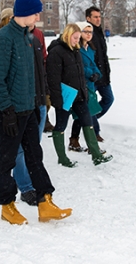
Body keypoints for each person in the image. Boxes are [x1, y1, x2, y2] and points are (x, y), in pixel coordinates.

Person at [0, 0, 72, 225]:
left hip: (28, 108)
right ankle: (7, 205)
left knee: (35, 156)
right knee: (7, 159)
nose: (38, 17)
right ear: (25, 13)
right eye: (36, 13)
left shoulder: (29, 38)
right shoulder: (4, 39)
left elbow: (32, 76)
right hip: (9, 112)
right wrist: (7, 111)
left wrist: (37, 104)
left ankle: (45, 201)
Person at [47, 23, 112, 167]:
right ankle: (62, 158)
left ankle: (96, 155)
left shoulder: (75, 50)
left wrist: (84, 92)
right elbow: (53, 78)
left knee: (87, 121)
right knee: (61, 125)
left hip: (79, 95)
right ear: (68, 36)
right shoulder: (56, 52)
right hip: (65, 96)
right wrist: (57, 98)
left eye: (78, 38)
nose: (77, 41)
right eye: (75, 38)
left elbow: (80, 74)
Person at [11, 16, 49, 206]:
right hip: (22, 103)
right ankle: (25, 187)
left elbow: (42, 68)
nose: (35, 18)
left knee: (34, 147)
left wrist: (45, 95)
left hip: (39, 99)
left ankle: (31, 181)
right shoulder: (10, 39)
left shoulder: (37, 37)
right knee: (18, 149)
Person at [69, 21, 103, 152]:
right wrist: (90, 73)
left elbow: (94, 64)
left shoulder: (90, 48)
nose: (89, 34)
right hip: (81, 84)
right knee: (86, 114)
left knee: (83, 114)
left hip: (90, 84)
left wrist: (97, 74)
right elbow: (79, 66)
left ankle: (74, 140)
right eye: (86, 32)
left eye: (90, 32)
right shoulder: (76, 48)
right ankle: (92, 144)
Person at [86, 6, 113, 142]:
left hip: (103, 76)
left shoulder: (99, 32)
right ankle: (94, 132)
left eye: (99, 17)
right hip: (91, 77)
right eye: (95, 17)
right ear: (88, 18)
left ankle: (90, 120)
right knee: (90, 105)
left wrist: (106, 73)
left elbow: (103, 55)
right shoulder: (87, 33)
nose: (98, 19)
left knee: (109, 99)